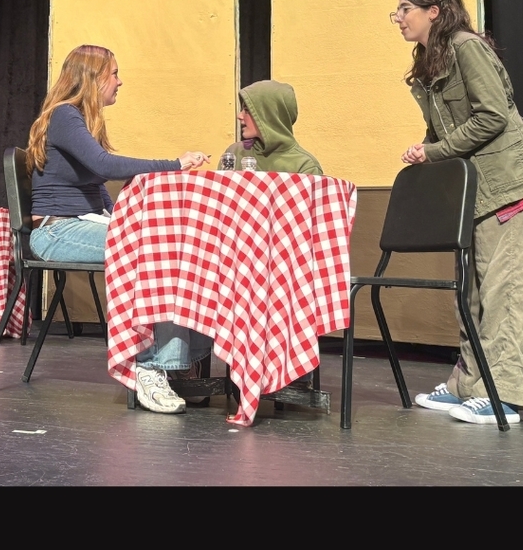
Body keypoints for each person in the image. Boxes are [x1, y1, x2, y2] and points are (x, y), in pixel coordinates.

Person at [393, 0, 523, 426]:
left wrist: (436, 151)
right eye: (398, 10)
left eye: (406, 9)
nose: (399, 18)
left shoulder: (466, 47)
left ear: (434, 12)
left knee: (506, 289)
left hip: (508, 182)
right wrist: (424, 147)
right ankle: (468, 384)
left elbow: (493, 115)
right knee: (473, 290)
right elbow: (446, 127)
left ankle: (502, 395)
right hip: (475, 189)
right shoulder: (430, 59)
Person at [27, 44, 211, 414]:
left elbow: (96, 185)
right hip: (56, 232)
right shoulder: (65, 115)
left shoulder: (83, 120)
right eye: (114, 74)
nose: (119, 81)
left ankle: (180, 364)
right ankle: (150, 367)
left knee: (179, 249)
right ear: (92, 79)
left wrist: (118, 217)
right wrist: (174, 163)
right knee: (155, 253)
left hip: (82, 224)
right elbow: (105, 166)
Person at [221, 80, 322, 174]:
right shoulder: (234, 153)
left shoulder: (305, 166)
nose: (239, 116)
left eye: (247, 110)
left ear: (269, 115)